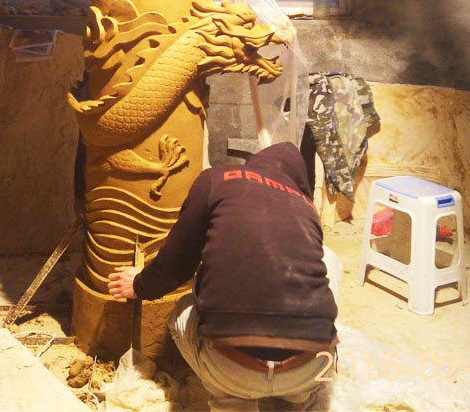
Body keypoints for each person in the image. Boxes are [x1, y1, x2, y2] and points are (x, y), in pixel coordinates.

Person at [108, 142, 340, 410]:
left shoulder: (218, 179)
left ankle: (232, 400)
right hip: (312, 366)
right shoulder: (308, 207)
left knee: (182, 310)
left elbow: (179, 261)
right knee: (328, 259)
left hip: (234, 368)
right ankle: (295, 398)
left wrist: (140, 285)